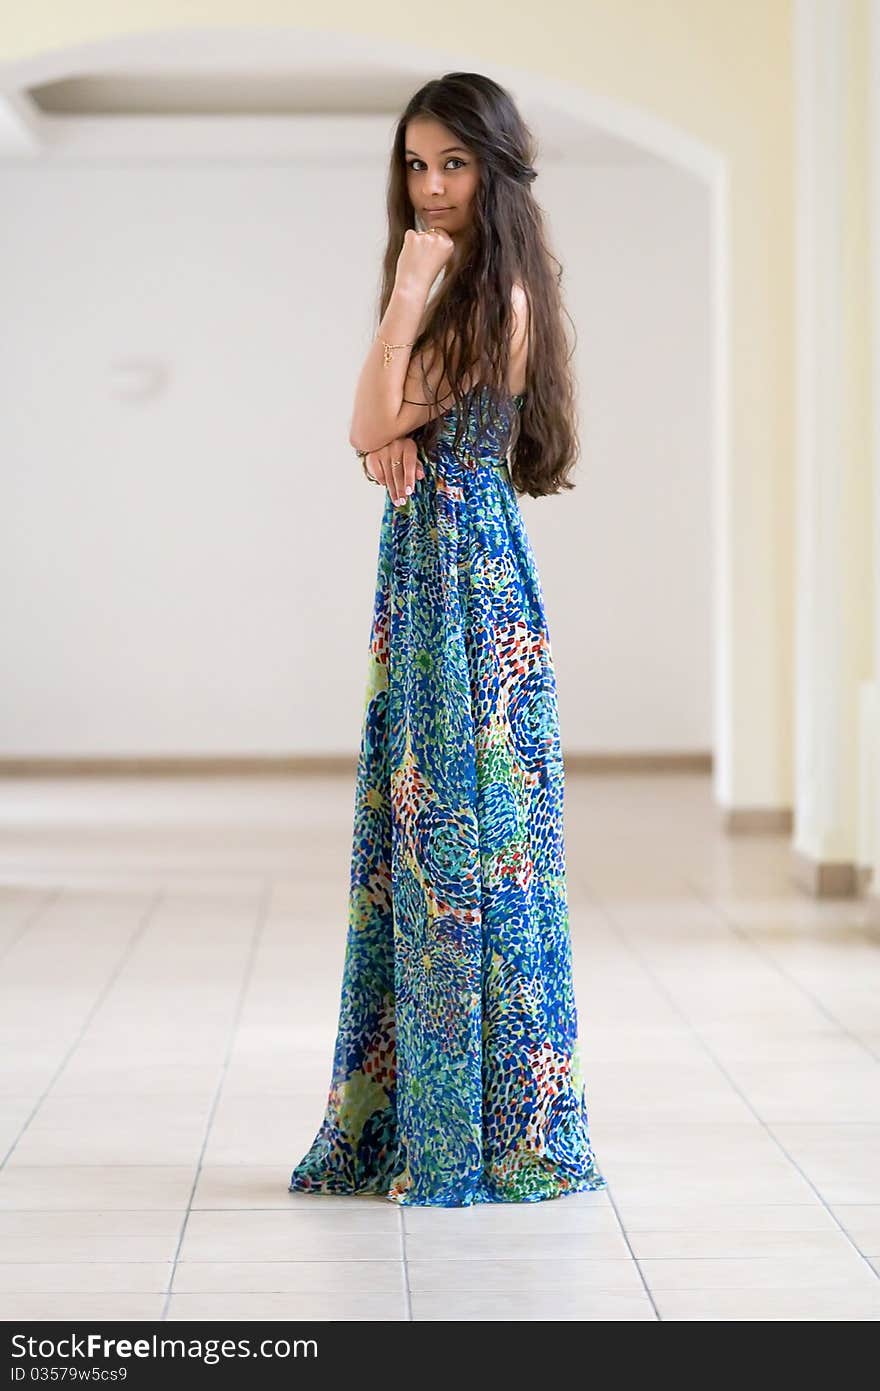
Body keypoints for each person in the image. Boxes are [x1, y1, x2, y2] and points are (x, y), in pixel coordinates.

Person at [288, 71, 606, 1207]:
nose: (430, 188)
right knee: (414, 849)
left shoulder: (495, 296)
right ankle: (410, 1121)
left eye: (453, 165)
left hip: (471, 597)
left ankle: (488, 1132)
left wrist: (410, 294)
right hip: (422, 587)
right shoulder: (442, 284)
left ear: (495, 168)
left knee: (477, 858)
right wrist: (393, 410)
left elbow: (370, 420)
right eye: (416, 165)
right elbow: (382, 429)